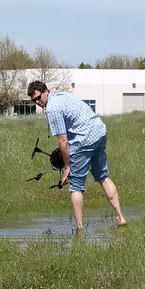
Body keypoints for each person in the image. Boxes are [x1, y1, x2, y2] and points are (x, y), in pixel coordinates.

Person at [27, 80, 127, 231]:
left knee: (76, 186)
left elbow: (63, 140)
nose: (37, 102)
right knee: (103, 176)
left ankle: (79, 229)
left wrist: (67, 166)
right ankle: (121, 217)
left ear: (46, 91)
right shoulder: (62, 95)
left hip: (84, 140)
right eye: (33, 100)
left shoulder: (52, 109)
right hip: (99, 131)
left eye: (38, 98)